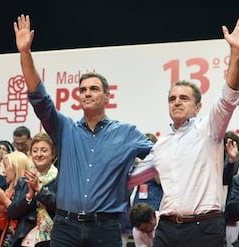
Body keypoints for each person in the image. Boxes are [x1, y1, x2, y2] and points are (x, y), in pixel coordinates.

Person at [14, 14, 154, 246]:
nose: (87, 93)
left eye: (94, 89)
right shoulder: (64, 129)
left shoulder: (127, 133)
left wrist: (131, 177)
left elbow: (161, 158)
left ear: (107, 96)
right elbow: (39, 97)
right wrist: (25, 54)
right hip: (65, 226)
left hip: (106, 227)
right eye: (82, 90)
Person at [128, 13, 239, 247]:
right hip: (166, 228)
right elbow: (131, 179)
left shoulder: (210, 128)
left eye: (184, 98)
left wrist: (236, 52)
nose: (177, 102)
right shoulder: (161, 144)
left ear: (197, 107)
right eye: (172, 98)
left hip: (204, 229)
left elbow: (228, 97)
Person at [0, 151, 30, 247]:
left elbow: (19, 215)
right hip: (7, 240)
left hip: (22, 240)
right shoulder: (8, 191)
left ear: (16, 168)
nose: (3, 171)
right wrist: (1, 211)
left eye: (6, 166)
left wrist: (6, 201)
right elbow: (2, 226)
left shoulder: (29, 188)